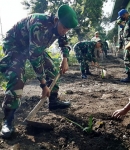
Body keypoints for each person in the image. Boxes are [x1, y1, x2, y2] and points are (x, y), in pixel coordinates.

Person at [0, 4, 78, 138]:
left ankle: (53, 101)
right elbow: (34, 57)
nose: (65, 30)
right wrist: (43, 85)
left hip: (34, 48)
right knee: (17, 77)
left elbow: (63, 41)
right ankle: (7, 121)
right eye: (64, 27)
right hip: (15, 45)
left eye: (68, 29)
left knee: (53, 71)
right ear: (56, 20)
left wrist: (65, 58)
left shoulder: (59, 28)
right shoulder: (40, 26)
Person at [117, 9, 130, 83]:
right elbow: (123, 34)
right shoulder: (126, 22)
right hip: (127, 43)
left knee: (129, 59)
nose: (121, 18)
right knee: (128, 59)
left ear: (125, 14)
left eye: (122, 16)